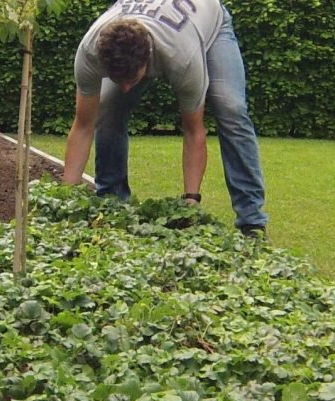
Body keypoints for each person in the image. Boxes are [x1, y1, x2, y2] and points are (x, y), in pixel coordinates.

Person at [61, 0, 269, 238]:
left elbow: (193, 131)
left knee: (231, 108)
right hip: (160, 26)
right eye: (118, 78)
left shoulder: (183, 58)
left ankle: (251, 220)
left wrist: (190, 204)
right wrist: (67, 199)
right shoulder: (90, 51)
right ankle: (111, 202)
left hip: (208, 24)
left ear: (147, 60)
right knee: (108, 107)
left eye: (132, 78)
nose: (126, 88)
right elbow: (83, 125)